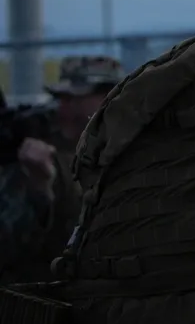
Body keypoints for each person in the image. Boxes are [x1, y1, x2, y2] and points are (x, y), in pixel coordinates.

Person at [0, 56, 123, 283]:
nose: (64, 109)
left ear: (109, 98)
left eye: (76, 99)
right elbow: (10, 247)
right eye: (62, 98)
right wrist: (40, 190)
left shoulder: (130, 152)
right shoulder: (35, 155)